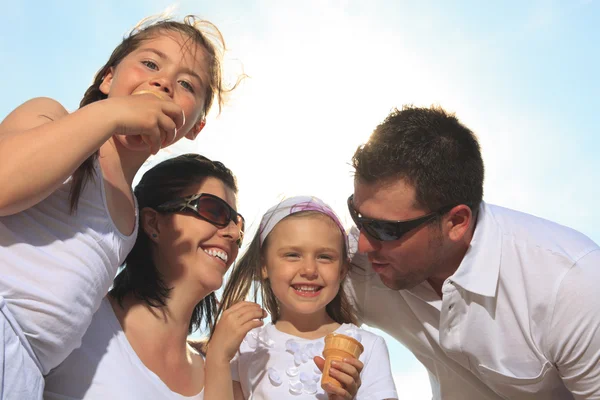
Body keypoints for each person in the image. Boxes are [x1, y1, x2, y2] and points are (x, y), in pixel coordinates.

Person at [0, 15, 235, 399]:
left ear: (194, 127)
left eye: (187, 84)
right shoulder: (50, 117)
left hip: (25, 372)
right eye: (151, 64)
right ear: (108, 78)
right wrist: (110, 114)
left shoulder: (131, 215)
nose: (163, 82)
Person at [346, 105, 600, 399]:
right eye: (357, 216)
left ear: (456, 222)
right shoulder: (355, 262)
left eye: (386, 230)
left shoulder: (572, 286)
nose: (364, 244)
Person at [44, 153, 263, 399]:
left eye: (238, 224)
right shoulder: (76, 322)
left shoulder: (219, 377)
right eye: (214, 210)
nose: (234, 233)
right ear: (153, 223)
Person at [212, 196, 398, 400]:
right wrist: (218, 357)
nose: (309, 270)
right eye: (292, 255)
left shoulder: (368, 348)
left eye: (324, 257)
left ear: (342, 270)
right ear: (263, 266)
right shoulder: (245, 347)